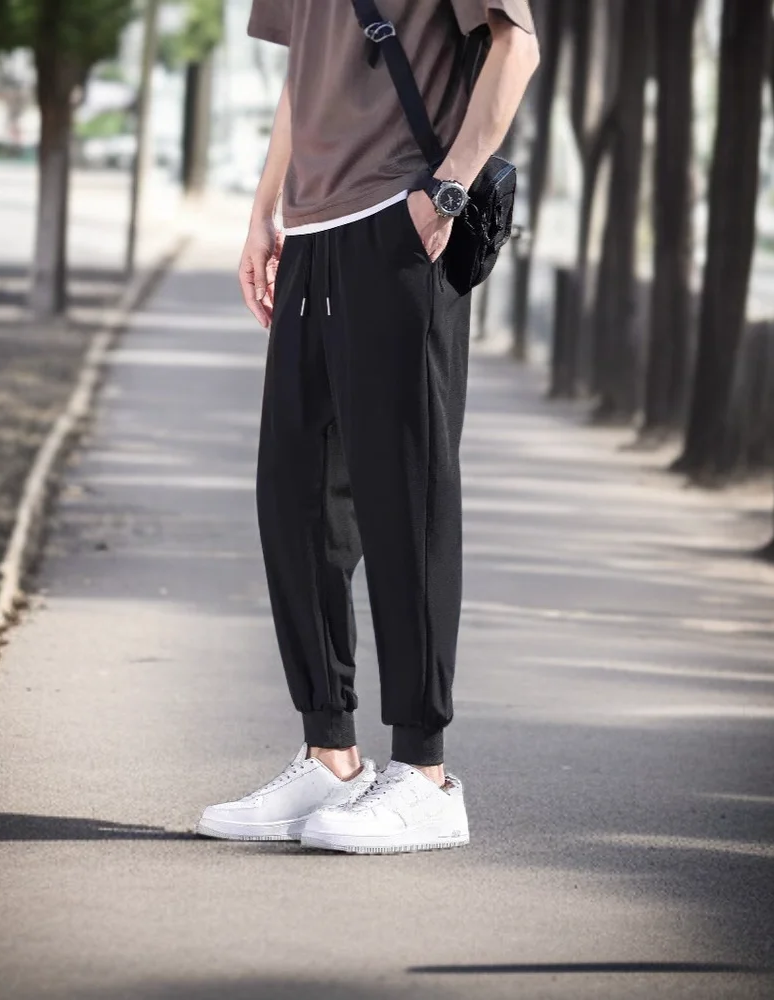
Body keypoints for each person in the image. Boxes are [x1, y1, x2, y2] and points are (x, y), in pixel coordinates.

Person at [197, 0, 539, 854]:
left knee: (404, 499)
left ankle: (425, 774)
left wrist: (447, 190)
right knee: (295, 496)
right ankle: (331, 756)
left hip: (401, 221)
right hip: (311, 232)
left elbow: (517, 47)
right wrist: (264, 211)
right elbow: (303, 80)